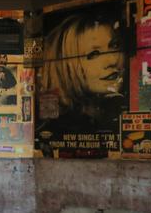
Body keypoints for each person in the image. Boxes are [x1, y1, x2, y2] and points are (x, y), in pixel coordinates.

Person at [36, 12, 126, 155]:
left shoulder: (114, 115)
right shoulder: (58, 129)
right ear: (66, 67)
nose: (112, 60)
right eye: (94, 54)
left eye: (114, 46)